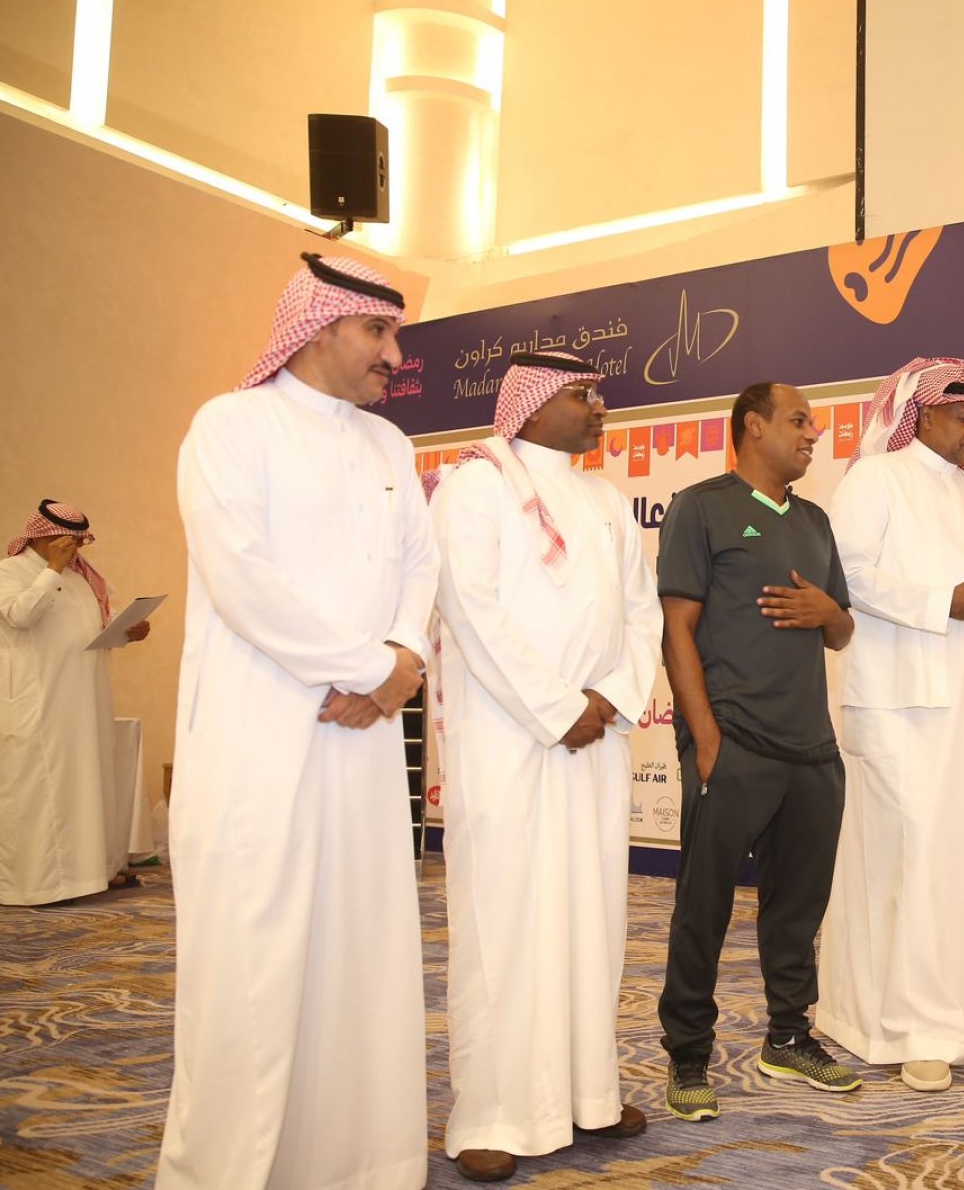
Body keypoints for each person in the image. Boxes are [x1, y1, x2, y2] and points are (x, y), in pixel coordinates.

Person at [159, 253, 437, 1190]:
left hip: (363, 742)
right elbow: (244, 581)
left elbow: (419, 567)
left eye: (395, 334)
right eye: (378, 332)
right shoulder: (230, 426)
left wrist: (399, 662)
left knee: (361, 952)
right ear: (319, 327)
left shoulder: (388, 445)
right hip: (260, 739)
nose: (394, 355)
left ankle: (362, 1165)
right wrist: (371, 669)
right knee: (255, 963)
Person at [430, 350, 662, 1181]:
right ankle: (493, 1112)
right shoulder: (475, 486)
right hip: (510, 740)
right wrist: (558, 708)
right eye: (582, 394)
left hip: (594, 739)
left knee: (591, 918)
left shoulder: (604, 500)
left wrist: (609, 697)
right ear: (527, 405)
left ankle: (586, 1095)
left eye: (598, 393)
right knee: (506, 920)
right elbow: (470, 609)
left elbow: (640, 613)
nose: (600, 407)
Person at [819, 357, 964, 1093]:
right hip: (895, 697)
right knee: (903, 852)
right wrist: (944, 601)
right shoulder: (875, 480)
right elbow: (846, 576)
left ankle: (949, 1013)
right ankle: (904, 1026)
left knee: (952, 856)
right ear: (923, 413)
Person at [655, 381, 858, 1121]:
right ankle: (687, 1055)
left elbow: (841, 631)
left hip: (812, 748)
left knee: (798, 909)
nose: (813, 434)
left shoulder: (814, 520)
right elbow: (677, 630)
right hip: (733, 744)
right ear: (752, 426)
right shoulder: (699, 507)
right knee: (702, 908)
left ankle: (788, 1037)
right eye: (799, 421)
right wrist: (706, 740)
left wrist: (828, 611)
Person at [0, 499, 151, 906]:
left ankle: (92, 873)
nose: (75, 549)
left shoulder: (82, 578)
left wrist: (128, 631)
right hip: (38, 704)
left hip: (85, 701)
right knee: (42, 790)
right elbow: (20, 615)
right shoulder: (5, 572)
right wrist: (53, 570)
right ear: (40, 536)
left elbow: (95, 629)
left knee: (88, 784)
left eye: (79, 542)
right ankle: (40, 885)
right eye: (68, 542)